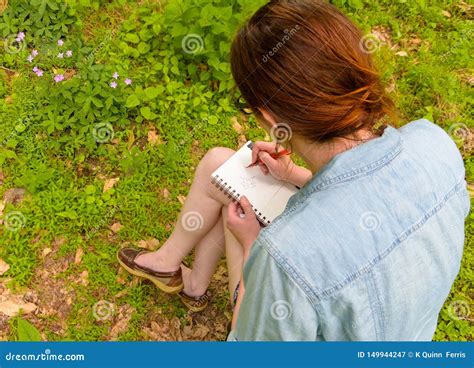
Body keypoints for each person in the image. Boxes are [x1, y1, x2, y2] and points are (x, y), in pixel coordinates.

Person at [118, 0, 469, 340]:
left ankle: (182, 271)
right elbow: (366, 194)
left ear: (269, 118)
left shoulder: (285, 258)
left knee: (235, 208)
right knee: (222, 168)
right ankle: (184, 276)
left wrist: (253, 243)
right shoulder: (436, 144)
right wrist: (290, 174)